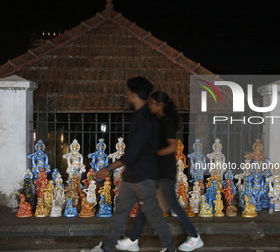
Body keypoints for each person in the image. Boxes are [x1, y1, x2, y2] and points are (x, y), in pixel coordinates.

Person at [81, 78, 176, 252]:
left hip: (144, 177)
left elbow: (133, 153)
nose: (127, 96)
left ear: (133, 94)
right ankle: (108, 247)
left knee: (154, 215)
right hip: (132, 175)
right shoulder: (141, 116)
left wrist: (108, 168)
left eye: (128, 92)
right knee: (121, 213)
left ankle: (170, 249)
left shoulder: (146, 119)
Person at [116, 91, 204, 252]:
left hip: (164, 172)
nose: (149, 105)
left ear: (160, 105)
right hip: (156, 171)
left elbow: (172, 147)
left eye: (152, 102)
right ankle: (133, 240)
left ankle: (195, 237)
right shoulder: (159, 121)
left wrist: (151, 153)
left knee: (171, 204)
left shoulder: (167, 122)